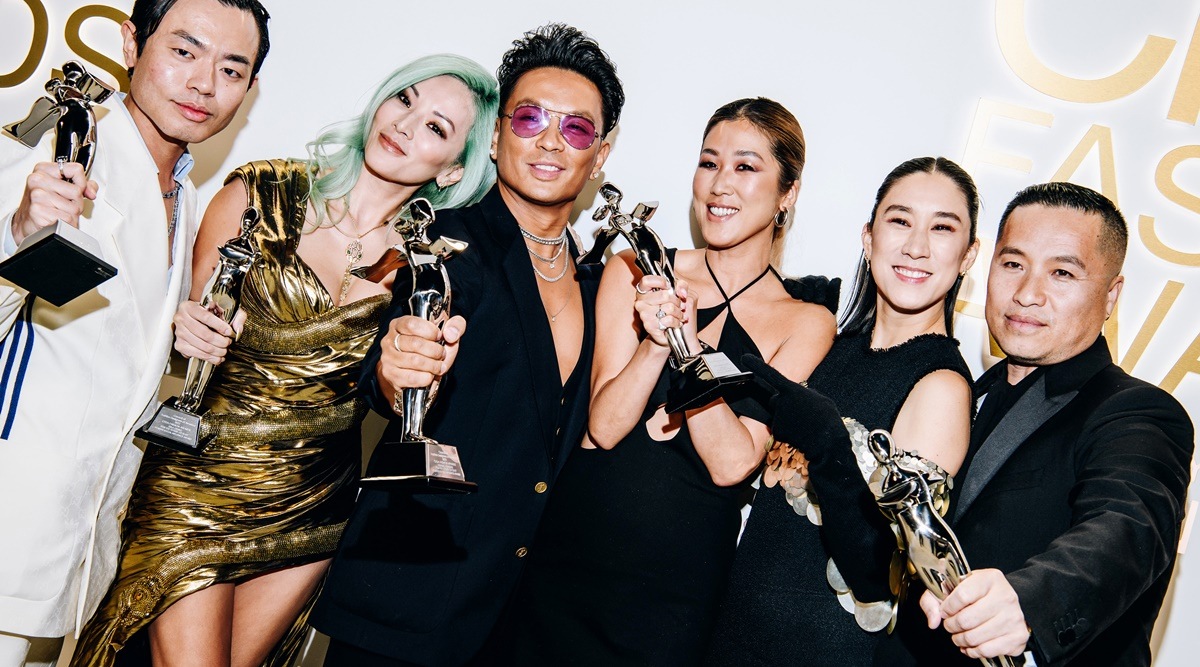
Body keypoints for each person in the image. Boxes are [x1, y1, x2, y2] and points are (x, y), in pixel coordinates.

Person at [68, 55, 498, 667]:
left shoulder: (431, 264)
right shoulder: (260, 192)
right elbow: (183, 327)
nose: (405, 124)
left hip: (314, 499)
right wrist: (186, 329)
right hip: (204, 476)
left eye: (436, 127)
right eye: (405, 99)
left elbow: (402, 380)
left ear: (454, 168)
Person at [310, 23, 624, 666]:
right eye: (530, 116)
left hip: (519, 623)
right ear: (498, 134)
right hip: (406, 604)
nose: (548, 141)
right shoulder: (442, 241)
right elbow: (387, 365)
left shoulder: (604, 280)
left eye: (576, 128)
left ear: (601, 154)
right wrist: (399, 371)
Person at [513, 97, 837, 666]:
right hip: (573, 553)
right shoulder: (636, 268)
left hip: (675, 586)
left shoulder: (805, 322)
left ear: (788, 193)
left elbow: (733, 462)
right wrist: (653, 343)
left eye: (746, 166)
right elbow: (606, 427)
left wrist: (689, 349)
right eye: (709, 162)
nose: (720, 184)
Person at [0, 1, 268, 664]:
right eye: (184, 51)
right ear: (131, 44)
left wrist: (185, 339)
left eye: (231, 68)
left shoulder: (187, 195)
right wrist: (16, 236)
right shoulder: (58, 146)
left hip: (72, 551)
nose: (206, 83)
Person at [887, 182, 1194, 666]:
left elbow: (1126, 528)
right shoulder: (957, 391)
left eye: (1063, 273)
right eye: (1013, 265)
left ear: (1111, 295)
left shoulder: (1136, 411)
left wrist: (1027, 601)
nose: (1028, 294)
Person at [706, 156, 982, 667]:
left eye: (942, 228)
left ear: (968, 256)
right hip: (738, 631)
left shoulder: (940, 385)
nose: (916, 246)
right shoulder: (834, 344)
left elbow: (881, 573)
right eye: (899, 220)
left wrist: (832, 445)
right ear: (868, 235)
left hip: (819, 652)